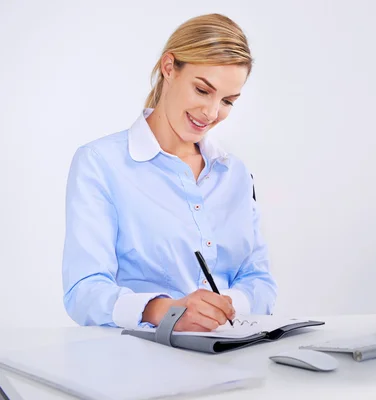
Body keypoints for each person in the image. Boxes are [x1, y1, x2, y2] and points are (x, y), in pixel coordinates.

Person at [61, 14, 277, 332]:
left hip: (232, 354)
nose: (212, 113)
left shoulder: (235, 174)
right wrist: (167, 310)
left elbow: (260, 282)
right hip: (139, 364)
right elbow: (83, 291)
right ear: (168, 68)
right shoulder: (100, 163)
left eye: (228, 101)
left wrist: (221, 309)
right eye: (203, 90)